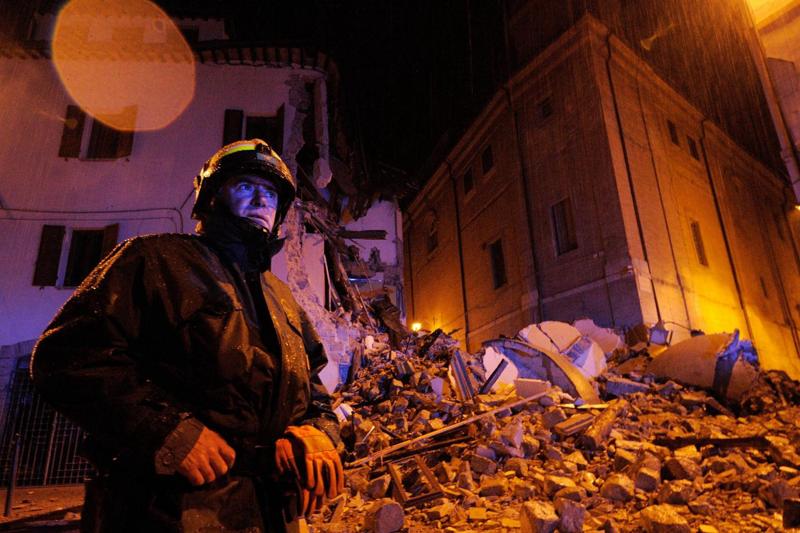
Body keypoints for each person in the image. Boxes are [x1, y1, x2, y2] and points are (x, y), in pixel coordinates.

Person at [31, 139, 344, 532]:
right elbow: (65, 357)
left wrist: (318, 433)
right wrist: (165, 430)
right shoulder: (155, 260)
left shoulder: (281, 299)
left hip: (269, 511)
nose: (261, 200)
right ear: (211, 198)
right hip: (166, 512)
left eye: (270, 193)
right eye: (245, 186)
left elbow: (313, 392)